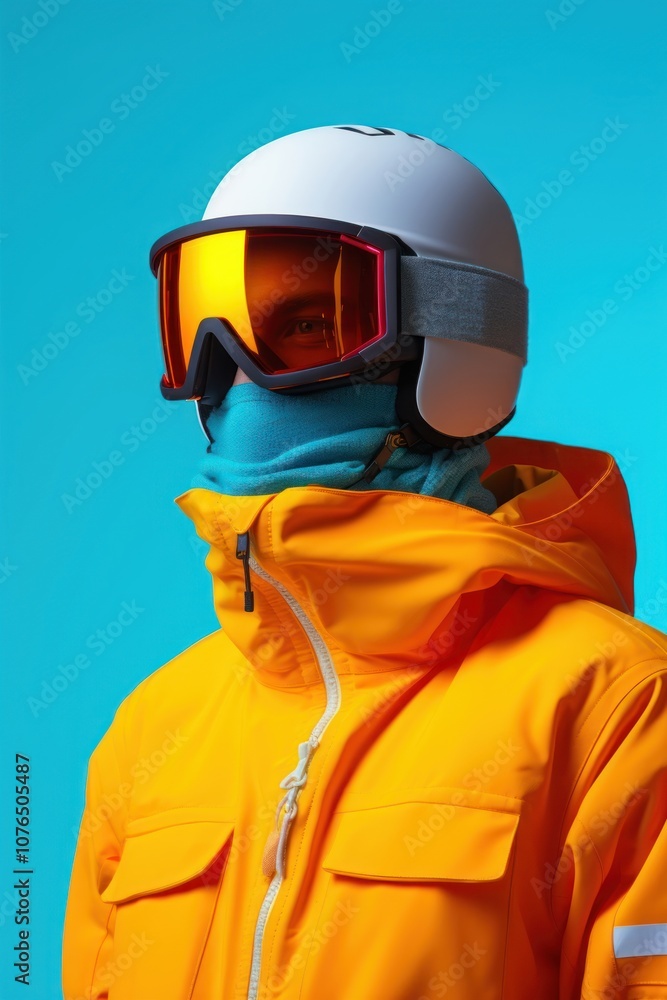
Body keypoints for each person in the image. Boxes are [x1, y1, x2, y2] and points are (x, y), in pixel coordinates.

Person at [62, 125, 667, 1000]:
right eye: (205, 333)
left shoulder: (616, 707)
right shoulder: (155, 728)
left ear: (452, 341)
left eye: (308, 325)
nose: (234, 376)